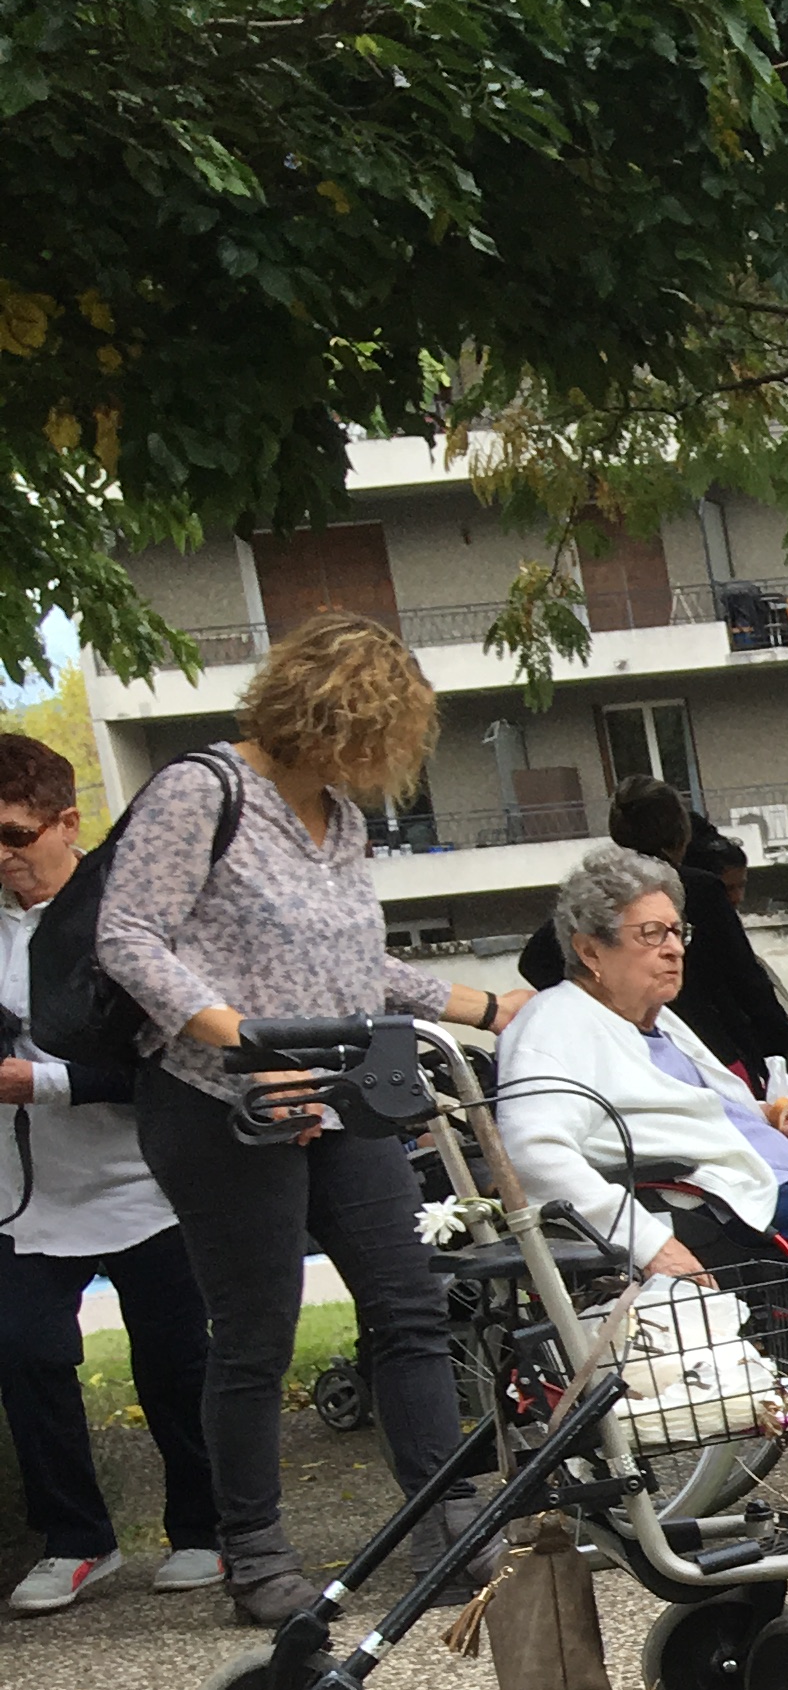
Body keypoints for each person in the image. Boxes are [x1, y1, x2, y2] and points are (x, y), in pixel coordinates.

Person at [88, 611, 523, 1626]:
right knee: (255, 1332)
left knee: (411, 1309)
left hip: (339, 1096)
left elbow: (350, 965)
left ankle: (445, 1521)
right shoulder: (205, 792)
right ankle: (254, 1549)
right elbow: (128, 936)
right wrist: (236, 1033)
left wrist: (484, 1006)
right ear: (326, 717)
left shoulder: (342, 819)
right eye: (373, 738)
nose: (380, 763)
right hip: (220, 1102)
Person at [494, 847, 788, 1294]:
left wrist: (763, 1115)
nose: (673, 949)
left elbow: (678, 1109)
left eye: (677, 932)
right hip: (727, 1206)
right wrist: (647, 1242)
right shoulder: (556, 1026)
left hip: (769, 1183)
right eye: (651, 934)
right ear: (590, 950)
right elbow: (532, 1153)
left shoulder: (656, 1018)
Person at [0, 734, 224, 1609]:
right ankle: (76, 1538)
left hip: (145, 1182)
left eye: (17, 836)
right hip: (28, 1196)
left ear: (68, 822)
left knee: (174, 1362)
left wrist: (40, 1081)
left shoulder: (123, 913)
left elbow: (168, 1061)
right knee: (24, 1355)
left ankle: (202, 1528)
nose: (5, 857)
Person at [518, 781, 788, 1089]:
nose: (673, 949)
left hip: (633, 1061)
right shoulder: (700, 890)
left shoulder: (599, 896)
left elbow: (536, 961)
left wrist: (606, 999)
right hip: (711, 1055)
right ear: (681, 832)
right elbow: (746, 981)